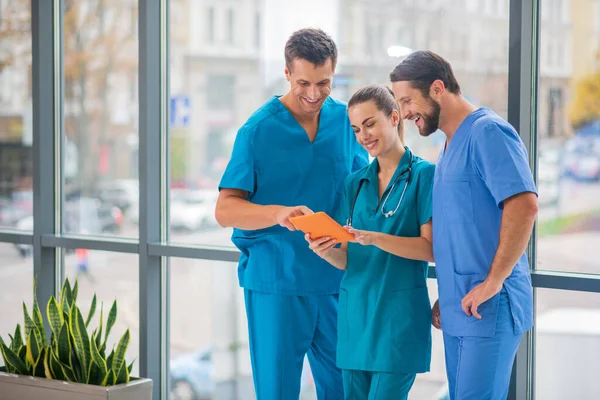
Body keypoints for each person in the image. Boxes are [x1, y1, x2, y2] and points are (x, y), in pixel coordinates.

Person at [215, 28, 368, 399]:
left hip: (333, 281)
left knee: (347, 390)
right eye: (303, 82)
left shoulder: (345, 122)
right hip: (276, 281)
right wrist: (277, 212)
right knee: (278, 391)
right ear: (286, 73)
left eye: (324, 83)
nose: (314, 94)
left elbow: (363, 190)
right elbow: (225, 209)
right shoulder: (257, 130)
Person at [389, 50, 538, 400]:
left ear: (437, 88)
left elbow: (524, 206)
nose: (405, 112)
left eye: (408, 100)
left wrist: (493, 282)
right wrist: (451, 294)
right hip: (462, 305)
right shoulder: (449, 145)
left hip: (490, 307)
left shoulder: (488, 132)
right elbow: (463, 230)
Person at [306, 84, 435, 400]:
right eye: (355, 129)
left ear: (393, 117)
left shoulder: (424, 176)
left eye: (369, 124)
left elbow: (430, 249)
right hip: (356, 321)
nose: (363, 135)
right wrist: (326, 251)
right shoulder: (354, 183)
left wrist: (376, 238)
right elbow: (349, 258)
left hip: (398, 320)